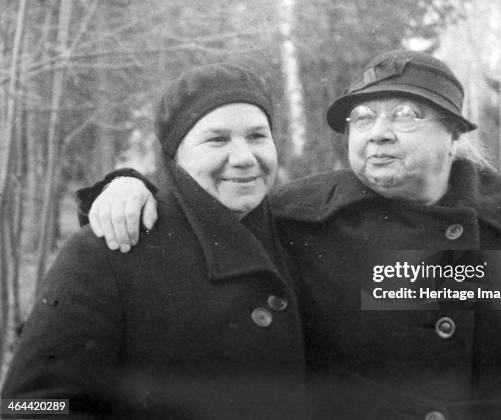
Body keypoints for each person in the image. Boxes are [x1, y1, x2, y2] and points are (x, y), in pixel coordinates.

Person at [73, 50, 501, 419]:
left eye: (406, 115)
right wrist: (130, 185)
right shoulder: (298, 217)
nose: (378, 133)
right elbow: (202, 209)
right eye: (361, 119)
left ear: (454, 136)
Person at [1, 64, 306, 419]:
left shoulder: (301, 235)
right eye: (216, 139)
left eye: (257, 136)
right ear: (175, 156)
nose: (244, 158)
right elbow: (28, 406)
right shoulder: (107, 251)